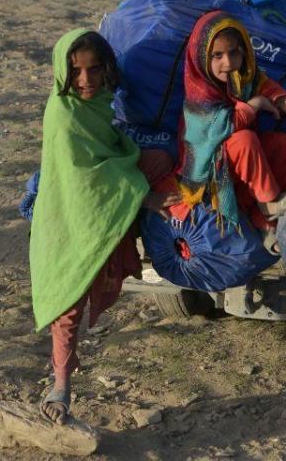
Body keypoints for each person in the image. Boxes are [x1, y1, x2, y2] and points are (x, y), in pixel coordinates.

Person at [31, 28, 180, 425]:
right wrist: (142, 195)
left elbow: (111, 152)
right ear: (62, 71)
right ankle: (61, 382)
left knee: (162, 160)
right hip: (70, 215)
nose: (85, 81)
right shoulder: (63, 114)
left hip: (107, 189)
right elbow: (84, 178)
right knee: (69, 295)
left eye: (94, 70)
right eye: (76, 71)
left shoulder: (99, 104)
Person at [170, 11, 286, 235]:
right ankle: (269, 202)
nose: (228, 63)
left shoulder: (247, 77)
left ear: (244, 51)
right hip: (210, 175)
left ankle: (260, 215)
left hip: (242, 170)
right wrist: (255, 104)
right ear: (201, 56)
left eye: (233, 53)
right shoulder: (199, 92)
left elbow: (283, 99)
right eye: (217, 55)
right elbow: (222, 128)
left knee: (284, 145)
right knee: (244, 139)